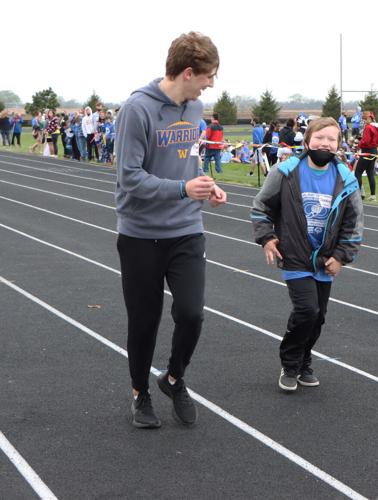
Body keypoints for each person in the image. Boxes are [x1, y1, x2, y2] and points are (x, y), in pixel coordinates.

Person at [115, 31, 226, 429]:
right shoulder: (137, 109)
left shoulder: (195, 111)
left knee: (192, 313)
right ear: (188, 72)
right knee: (144, 321)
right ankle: (139, 393)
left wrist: (206, 186)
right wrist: (182, 189)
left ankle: (174, 378)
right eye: (208, 76)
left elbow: (188, 164)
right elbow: (129, 178)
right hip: (141, 234)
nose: (212, 84)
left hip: (186, 229)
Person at [250, 117, 363, 391]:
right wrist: (267, 238)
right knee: (307, 310)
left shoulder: (346, 180)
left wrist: (342, 256)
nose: (325, 143)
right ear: (308, 139)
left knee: (318, 316)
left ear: (338, 144)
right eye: (320, 137)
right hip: (295, 254)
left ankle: (304, 360)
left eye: (331, 139)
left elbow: (354, 222)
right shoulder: (286, 171)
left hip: (325, 259)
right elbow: (261, 206)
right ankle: (290, 363)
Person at [355, 111, 378, 201]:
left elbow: (366, 141)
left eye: (365, 119)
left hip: (367, 151)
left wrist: (359, 144)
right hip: (374, 151)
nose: (364, 121)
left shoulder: (368, 127)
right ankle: (373, 195)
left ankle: (358, 195)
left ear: (370, 118)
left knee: (357, 173)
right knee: (370, 173)